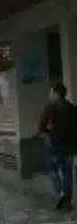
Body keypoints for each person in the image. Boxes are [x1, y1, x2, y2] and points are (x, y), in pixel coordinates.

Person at [39, 81, 77, 210]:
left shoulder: (49, 106)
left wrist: (45, 131)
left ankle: (60, 191)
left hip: (54, 144)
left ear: (54, 92)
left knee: (52, 170)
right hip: (70, 147)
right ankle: (68, 199)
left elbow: (42, 125)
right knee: (68, 173)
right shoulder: (72, 108)